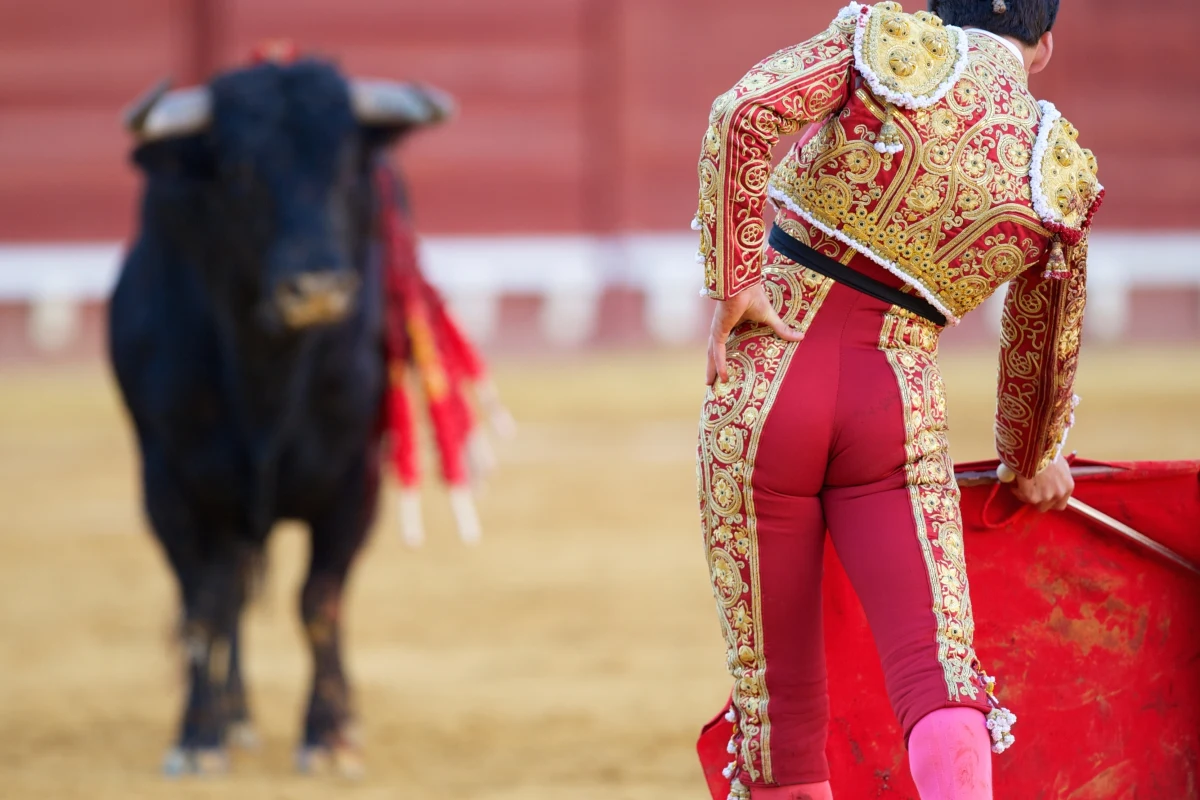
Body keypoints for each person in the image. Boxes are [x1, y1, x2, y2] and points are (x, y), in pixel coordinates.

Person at [692, 1, 1101, 797]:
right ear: (1044, 44)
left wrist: (735, 279)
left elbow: (740, 115)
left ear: (936, 8)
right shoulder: (1058, 168)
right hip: (896, 410)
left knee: (780, 712)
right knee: (936, 670)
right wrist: (1030, 459)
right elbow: (1040, 351)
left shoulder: (884, 45)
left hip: (766, 389)